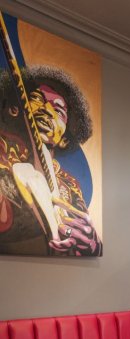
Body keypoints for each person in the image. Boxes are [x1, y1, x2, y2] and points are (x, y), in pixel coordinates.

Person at [0, 65, 101, 256]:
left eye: (58, 111)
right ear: (16, 110)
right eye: (37, 100)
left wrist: (90, 240)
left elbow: (85, 234)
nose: (46, 110)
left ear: (63, 139)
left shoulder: (70, 185)